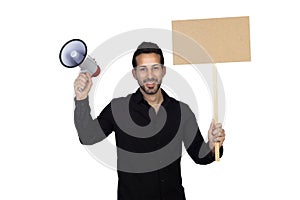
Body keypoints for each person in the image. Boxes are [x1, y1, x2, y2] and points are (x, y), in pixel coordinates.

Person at [73, 42, 225, 200]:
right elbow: (88, 137)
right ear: (134, 74)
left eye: (155, 68)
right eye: (143, 69)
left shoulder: (182, 111)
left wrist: (212, 146)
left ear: (163, 71)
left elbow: (200, 156)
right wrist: (81, 99)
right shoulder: (118, 108)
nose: (150, 75)